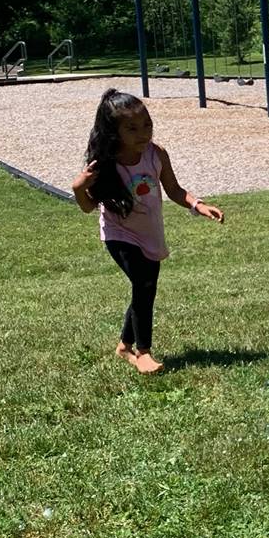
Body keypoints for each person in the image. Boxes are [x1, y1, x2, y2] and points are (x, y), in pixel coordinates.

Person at [71, 88, 224, 374]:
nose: (143, 133)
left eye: (147, 125)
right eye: (132, 128)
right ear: (114, 132)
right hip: (119, 234)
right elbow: (87, 206)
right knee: (143, 283)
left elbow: (176, 191)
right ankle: (143, 352)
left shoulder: (157, 155)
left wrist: (198, 206)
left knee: (144, 287)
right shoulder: (106, 164)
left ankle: (124, 346)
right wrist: (79, 188)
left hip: (150, 233)